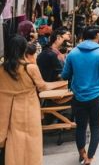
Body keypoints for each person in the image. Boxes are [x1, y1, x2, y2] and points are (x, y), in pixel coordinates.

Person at [0, 36, 58, 165]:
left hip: (10, 110)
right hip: (29, 107)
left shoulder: (2, 69)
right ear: (23, 49)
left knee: (15, 142)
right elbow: (42, 86)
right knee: (32, 142)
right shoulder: (30, 68)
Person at [61, 26, 99, 164]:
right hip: (95, 95)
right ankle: (90, 157)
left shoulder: (73, 53)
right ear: (96, 36)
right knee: (95, 126)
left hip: (78, 95)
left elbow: (65, 75)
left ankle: (82, 154)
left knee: (80, 127)